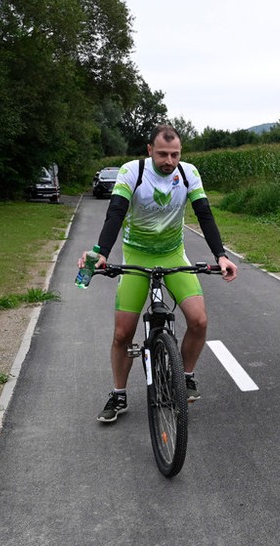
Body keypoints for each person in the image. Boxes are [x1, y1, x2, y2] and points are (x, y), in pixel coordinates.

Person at [81, 124, 238, 423]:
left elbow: (204, 214)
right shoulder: (132, 172)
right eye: (163, 154)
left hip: (172, 253)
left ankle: (185, 376)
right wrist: (100, 252)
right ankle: (119, 394)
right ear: (150, 150)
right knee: (123, 333)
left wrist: (221, 255)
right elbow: (115, 212)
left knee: (199, 320)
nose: (169, 161)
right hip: (138, 254)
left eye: (175, 154)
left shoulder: (189, 173)